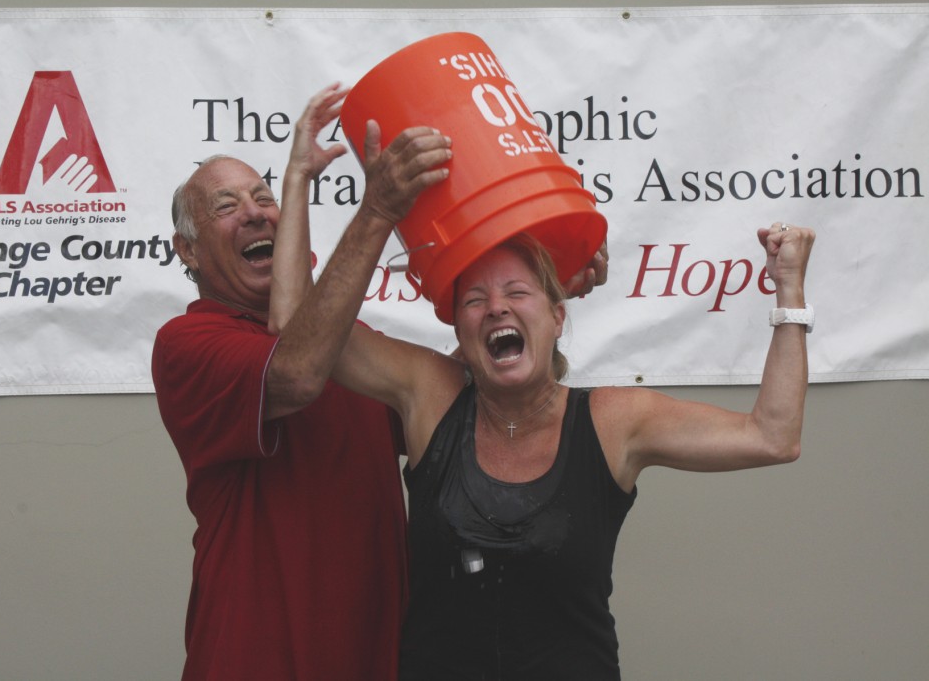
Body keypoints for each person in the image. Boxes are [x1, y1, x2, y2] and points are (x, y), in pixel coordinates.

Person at [270, 110, 815, 678]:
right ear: (459, 330)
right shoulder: (430, 394)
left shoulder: (613, 420)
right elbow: (297, 329)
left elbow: (772, 437)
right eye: (474, 299)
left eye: (516, 291)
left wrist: (790, 290)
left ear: (558, 316)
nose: (496, 307)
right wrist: (323, 191)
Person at [152, 84, 608, 680]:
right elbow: (295, 373)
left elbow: (447, 396)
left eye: (264, 197)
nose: (256, 212)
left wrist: (544, 299)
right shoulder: (191, 343)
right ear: (186, 249)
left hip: (378, 658)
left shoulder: (342, 340)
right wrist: (376, 209)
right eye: (226, 206)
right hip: (255, 657)